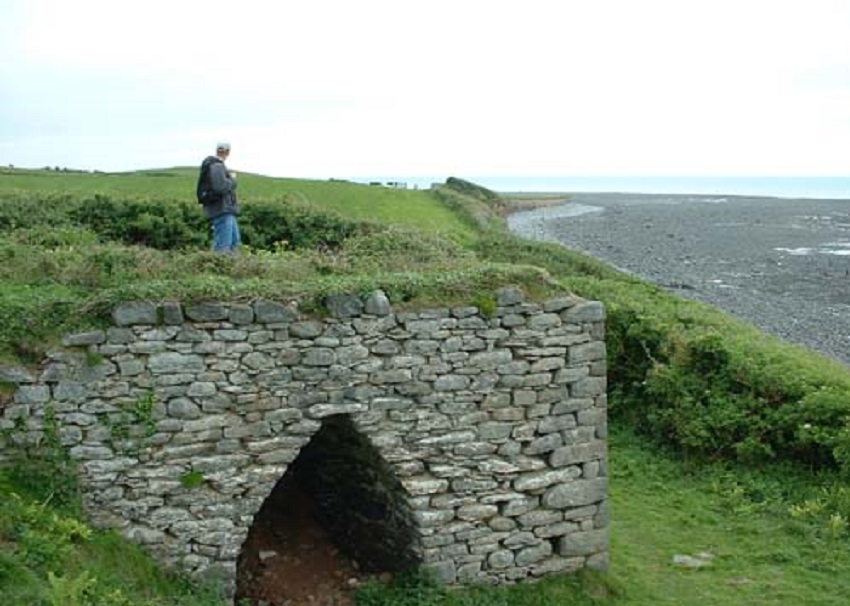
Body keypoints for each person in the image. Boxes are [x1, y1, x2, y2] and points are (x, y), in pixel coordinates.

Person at [198, 142, 241, 252]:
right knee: (223, 245)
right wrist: (233, 180)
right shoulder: (217, 165)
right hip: (221, 209)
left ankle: (233, 268)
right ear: (228, 152)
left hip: (226, 210)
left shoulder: (214, 164)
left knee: (234, 242)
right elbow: (220, 187)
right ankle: (218, 267)